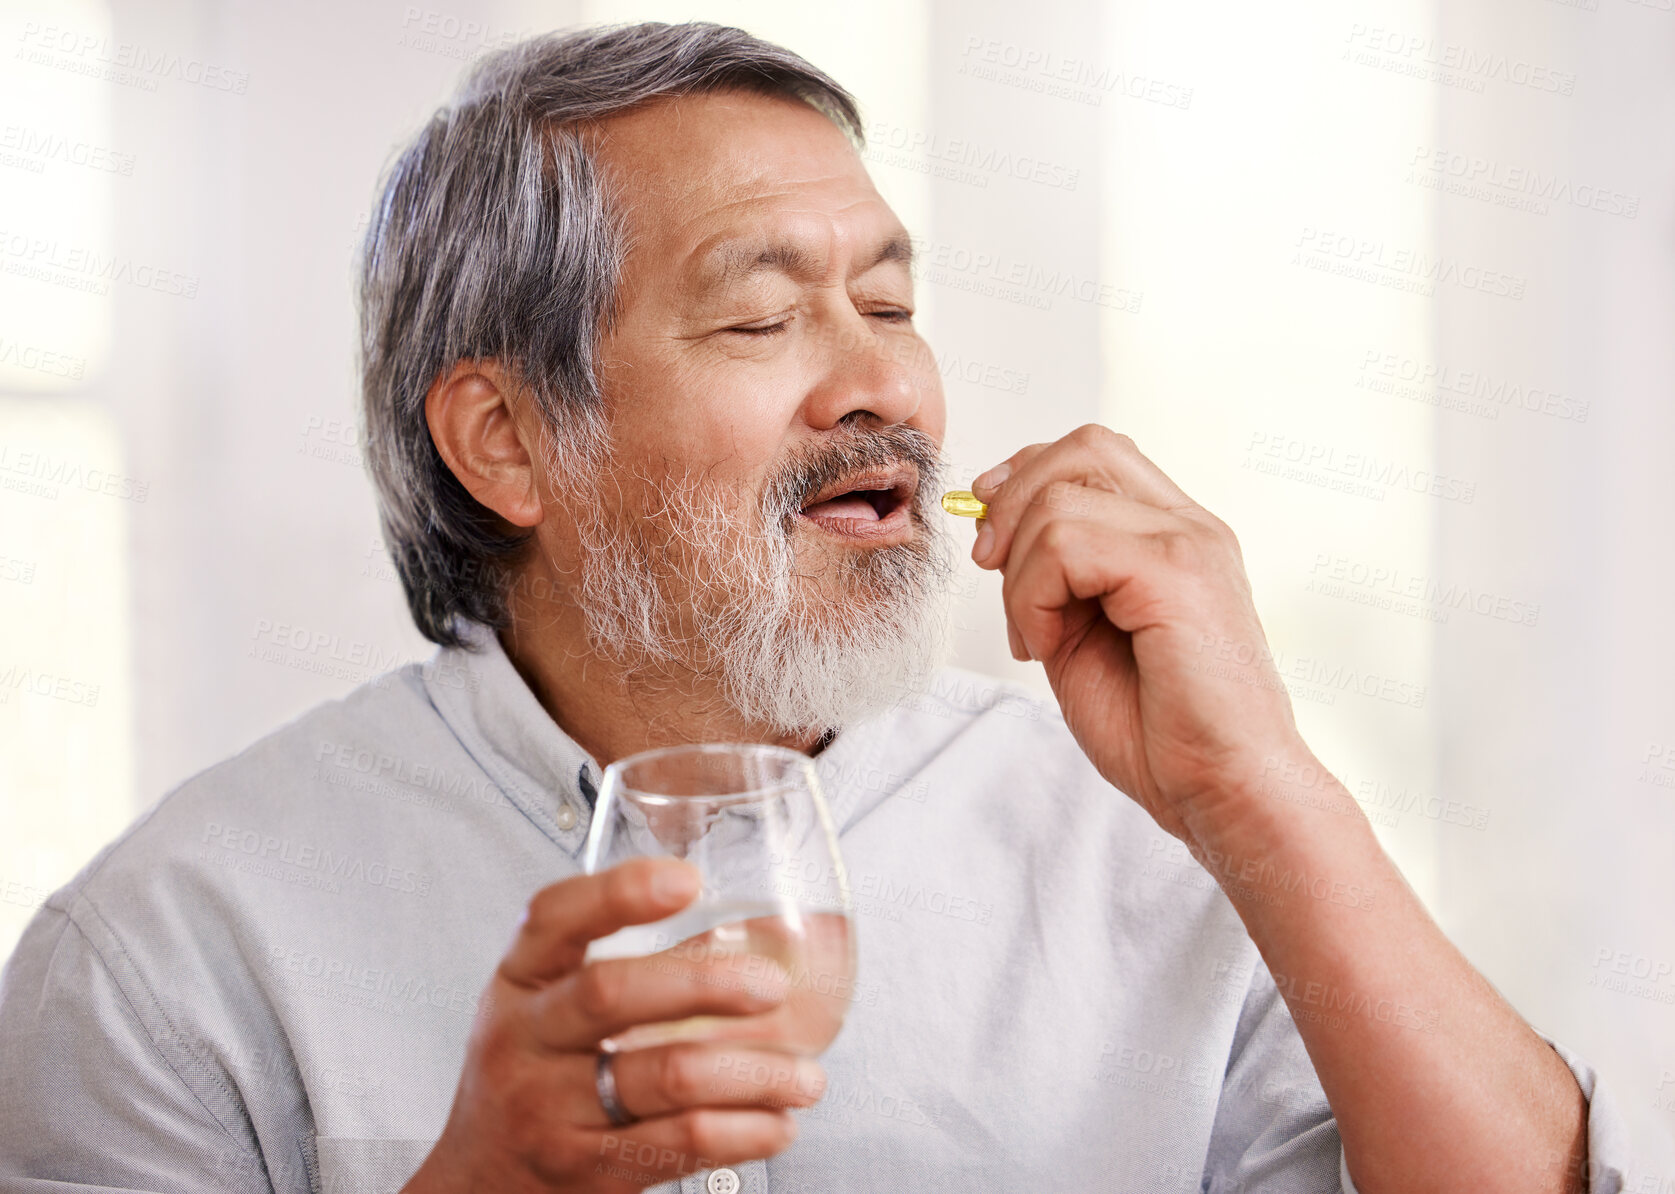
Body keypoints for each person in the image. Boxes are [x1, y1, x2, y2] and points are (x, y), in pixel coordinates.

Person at [0, 21, 1635, 1194]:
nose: (884, 387)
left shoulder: (1158, 840)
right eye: (763, 316)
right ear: (507, 441)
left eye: (892, 302)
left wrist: (1265, 786)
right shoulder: (164, 957)